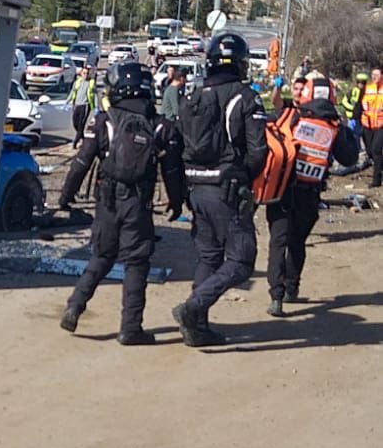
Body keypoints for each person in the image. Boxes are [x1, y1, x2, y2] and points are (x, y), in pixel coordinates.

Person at [58, 62, 184, 345]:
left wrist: (66, 197)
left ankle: (75, 306)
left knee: (101, 256)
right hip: (138, 202)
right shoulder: (160, 124)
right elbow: (172, 171)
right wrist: (177, 203)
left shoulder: (104, 120)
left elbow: (81, 163)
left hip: (108, 200)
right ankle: (130, 328)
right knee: (137, 263)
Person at [172, 32, 268, 348]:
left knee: (210, 257)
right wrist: (245, 178)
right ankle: (192, 308)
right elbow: (258, 151)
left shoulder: (193, 96)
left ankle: (197, 326)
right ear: (241, 63)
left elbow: (177, 145)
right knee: (241, 261)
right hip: (226, 189)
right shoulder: (245, 97)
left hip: (195, 186)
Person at [264, 75, 357, 317]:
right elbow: (349, 159)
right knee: (297, 242)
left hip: (282, 190)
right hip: (310, 194)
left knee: (278, 241)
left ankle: (276, 296)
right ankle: (291, 288)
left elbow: (265, 134)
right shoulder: (335, 127)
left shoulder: (291, 116)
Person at [358, 67, 383, 187]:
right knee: (369, 151)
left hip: (380, 124)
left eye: (376, 74)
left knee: (376, 150)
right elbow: (359, 104)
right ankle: (380, 168)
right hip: (367, 124)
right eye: (372, 74)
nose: (374, 77)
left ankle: (376, 180)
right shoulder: (368, 88)